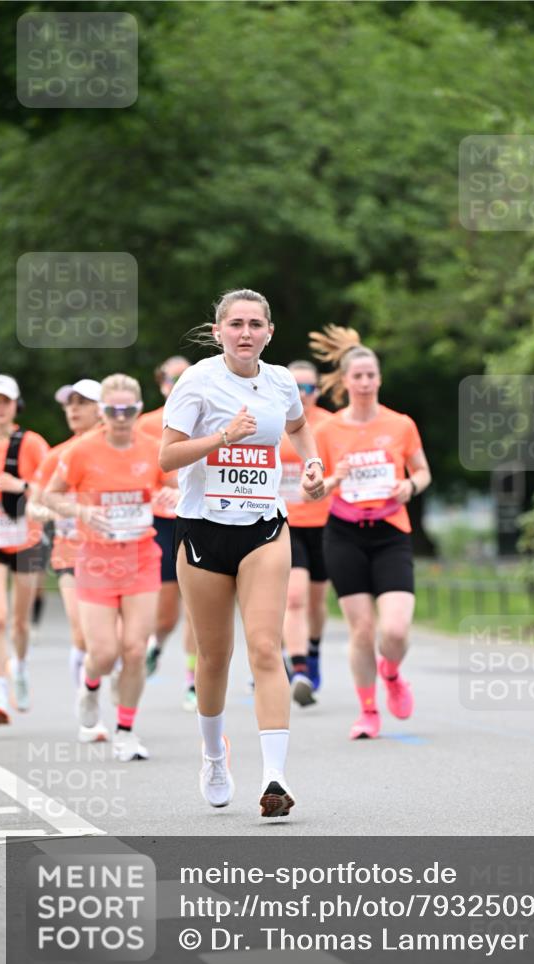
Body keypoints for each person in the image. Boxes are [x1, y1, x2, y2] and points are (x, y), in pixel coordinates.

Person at [159, 288, 325, 818]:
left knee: (265, 648)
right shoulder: (197, 381)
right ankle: (214, 757)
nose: (245, 333)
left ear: (269, 332)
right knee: (214, 657)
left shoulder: (280, 382)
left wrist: (313, 464)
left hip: (263, 527)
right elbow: (167, 457)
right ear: (218, 332)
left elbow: (298, 427)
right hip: (204, 530)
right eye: (236, 324)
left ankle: (275, 778)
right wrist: (222, 438)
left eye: (255, 324)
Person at [310, 325, 431, 740]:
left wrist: (409, 486)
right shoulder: (326, 431)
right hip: (344, 534)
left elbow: (423, 471)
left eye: (371, 375)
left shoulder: (401, 424)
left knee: (395, 630)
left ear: (379, 379)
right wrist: (334, 479)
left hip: (390, 532)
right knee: (362, 629)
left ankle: (392, 674)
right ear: (345, 381)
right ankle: (367, 711)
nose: (364, 382)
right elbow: (312, 490)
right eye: (357, 376)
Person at [45, 374, 166, 761]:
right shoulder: (82, 451)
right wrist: (81, 511)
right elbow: (50, 495)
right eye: (113, 411)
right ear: (102, 412)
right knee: (104, 652)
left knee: (135, 649)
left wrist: (170, 494)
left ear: (139, 410)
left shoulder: (153, 448)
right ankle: (91, 685)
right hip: (96, 560)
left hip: (141, 558)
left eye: (128, 410)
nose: (121, 418)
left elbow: (175, 486)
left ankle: (126, 731)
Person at [27, 379, 102, 689]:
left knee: (117, 638)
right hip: (70, 552)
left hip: (117, 553)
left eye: (82, 403)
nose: (73, 409)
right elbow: (33, 506)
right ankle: (87, 700)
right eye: (69, 403)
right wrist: (58, 512)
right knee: (81, 633)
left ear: (102, 409)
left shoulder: (119, 450)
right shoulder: (57, 455)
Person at [0, 375, 49, 723]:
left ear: (16, 405)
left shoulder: (31, 443)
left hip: (27, 540)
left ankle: (20, 667)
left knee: (20, 623)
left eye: (5, 401)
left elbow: (52, 486)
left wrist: (21, 485)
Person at [138, 356, 198, 710]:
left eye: (183, 378)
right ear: (161, 384)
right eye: (171, 379)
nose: (177, 385)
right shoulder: (146, 425)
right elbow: (134, 473)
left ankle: (193, 681)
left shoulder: (208, 416)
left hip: (198, 518)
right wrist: (159, 491)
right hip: (160, 521)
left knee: (197, 606)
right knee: (166, 614)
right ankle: (156, 645)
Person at [279, 361, 331, 706]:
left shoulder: (330, 425)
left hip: (325, 523)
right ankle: (298, 669)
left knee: (316, 600)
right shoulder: (271, 421)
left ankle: (312, 651)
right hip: (285, 521)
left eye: (308, 388)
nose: (302, 394)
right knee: (294, 597)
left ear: (318, 391)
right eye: (295, 387)